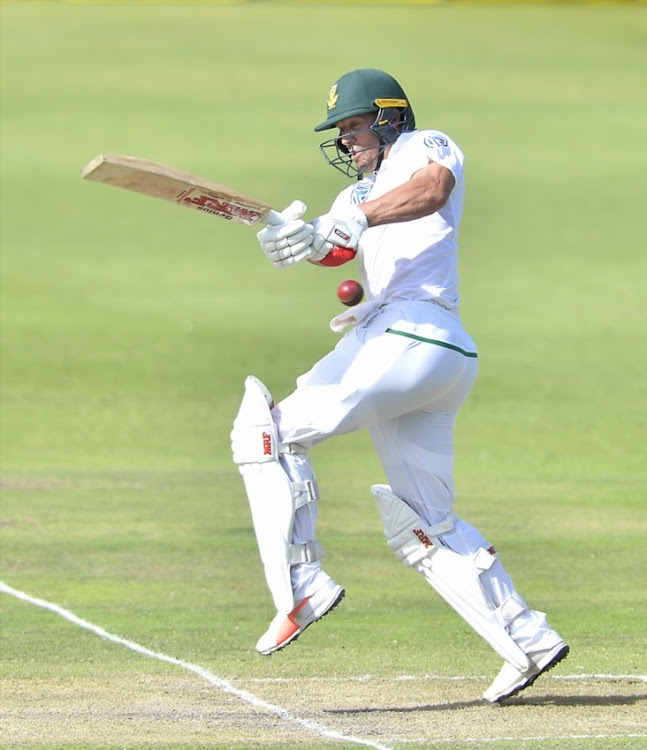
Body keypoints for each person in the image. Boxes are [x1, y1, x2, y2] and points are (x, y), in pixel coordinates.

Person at [230, 68, 568, 703]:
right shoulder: (358, 191)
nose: (346, 139)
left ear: (388, 119)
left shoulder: (424, 147)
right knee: (425, 523)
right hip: (428, 359)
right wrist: (298, 241)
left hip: (413, 336)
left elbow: (433, 190)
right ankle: (528, 639)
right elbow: (334, 247)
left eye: (354, 126)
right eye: (340, 131)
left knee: (262, 433)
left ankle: (301, 583)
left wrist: (356, 218)